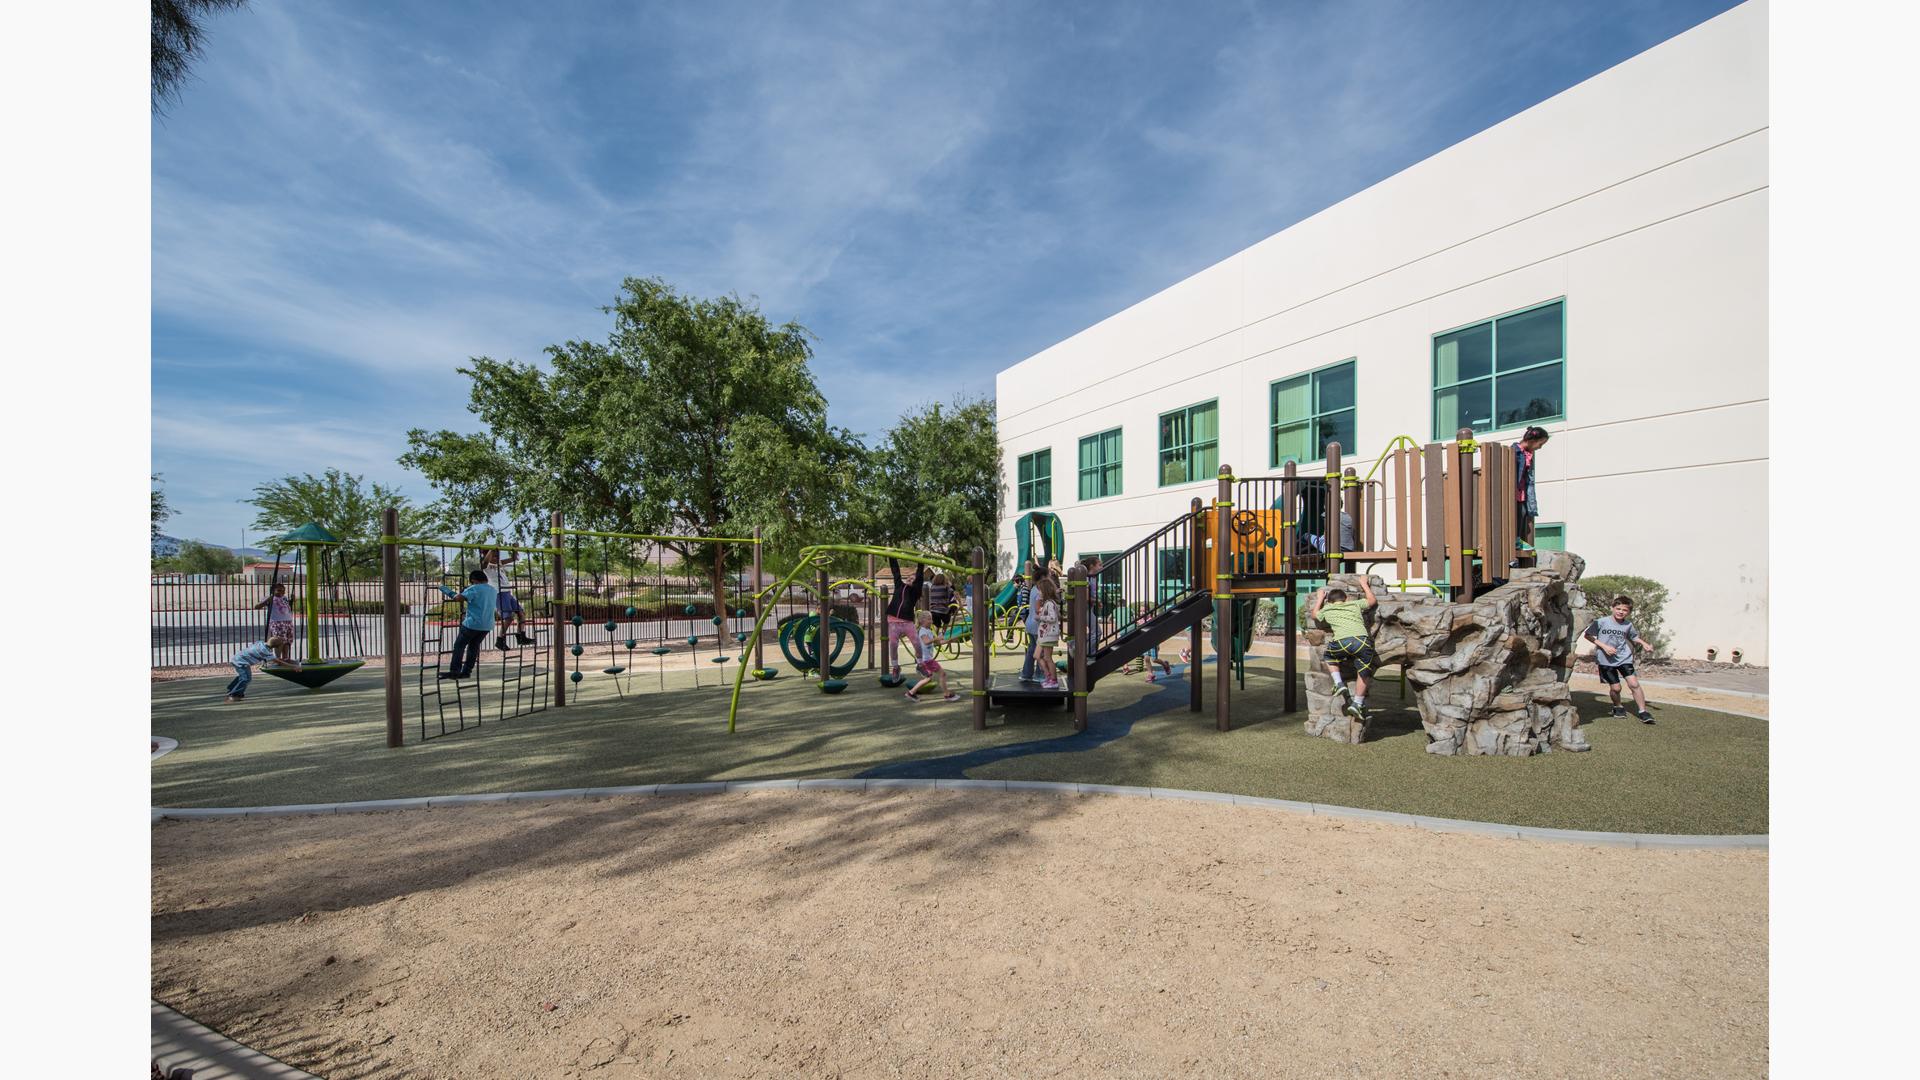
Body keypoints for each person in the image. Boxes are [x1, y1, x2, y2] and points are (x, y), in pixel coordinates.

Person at [1307, 577, 1377, 719]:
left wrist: (1320, 598)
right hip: (1362, 642)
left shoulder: (1328, 609)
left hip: (1341, 643)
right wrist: (1364, 584)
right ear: (1345, 599)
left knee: (1329, 656)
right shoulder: (1355, 605)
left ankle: (1338, 683)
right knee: (1363, 673)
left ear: (1330, 601)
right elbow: (1372, 601)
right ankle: (1357, 703)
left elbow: (1314, 615)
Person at [1583, 595, 1656, 723]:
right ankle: (1618, 706)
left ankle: (1643, 711)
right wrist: (1604, 647)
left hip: (1624, 658)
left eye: (1624, 610)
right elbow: (1587, 635)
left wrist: (1644, 644)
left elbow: (1633, 636)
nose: (1621, 612)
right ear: (1612, 608)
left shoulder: (1628, 625)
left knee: (1634, 684)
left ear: (1629, 612)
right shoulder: (1601, 622)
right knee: (1616, 688)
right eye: (1618, 608)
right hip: (1605, 660)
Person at [437, 570, 498, 680]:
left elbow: (458, 598)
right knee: (473, 647)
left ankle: (455, 671)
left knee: (459, 646)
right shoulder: (493, 590)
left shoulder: (474, 588)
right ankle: (466, 671)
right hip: (487, 625)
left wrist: (444, 589)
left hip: (472, 624)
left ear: (474, 580)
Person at [480, 548, 535, 649]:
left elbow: (514, 558)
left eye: (498, 555)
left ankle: (521, 637)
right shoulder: (486, 566)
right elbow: (484, 562)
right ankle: (500, 640)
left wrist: (515, 549)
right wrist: (491, 550)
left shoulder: (499, 563)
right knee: (508, 618)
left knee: (521, 613)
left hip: (507, 592)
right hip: (498, 593)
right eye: (494, 555)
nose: (497, 557)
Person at [903, 609, 960, 703]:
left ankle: (911, 693)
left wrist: (949, 640)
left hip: (926, 660)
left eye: (931, 619)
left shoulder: (928, 630)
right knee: (941, 674)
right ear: (922, 621)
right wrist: (937, 638)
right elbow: (926, 642)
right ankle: (947, 695)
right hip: (926, 660)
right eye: (929, 619)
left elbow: (937, 643)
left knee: (928, 678)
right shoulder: (922, 631)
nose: (931, 621)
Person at [223, 637, 301, 703]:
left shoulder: (261, 643)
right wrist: (293, 666)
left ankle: (231, 688)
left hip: (237, 658)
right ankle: (234, 695)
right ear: (277, 647)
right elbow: (278, 662)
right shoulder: (266, 652)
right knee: (246, 678)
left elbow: (259, 653)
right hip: (241, 662)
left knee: (243, 676)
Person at [884, 558, 926, 678]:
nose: (909, 579)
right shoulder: (899, 585)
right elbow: (895, 571)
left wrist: (920, 562)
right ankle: (896, 667)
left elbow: (920, 577)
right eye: (908, 578)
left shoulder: (915, 591)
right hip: (893, 621)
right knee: (893, 644)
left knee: (917, 643)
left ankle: (920, 664)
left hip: (907, 622)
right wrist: (892, 557)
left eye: (912, 579)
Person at [1514, 426, 1550, 556]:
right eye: (1540, 444)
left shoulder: (1527, 454)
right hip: (1514, 492)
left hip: (1522, 493)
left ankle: (1517, 540)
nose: (1540, 447)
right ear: (1531, 440)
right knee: (1516, 515)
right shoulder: (1515, 452)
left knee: (1522, 514)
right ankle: (1515, 540)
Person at [1034, 576, 1063, 690]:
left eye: (1040, 590)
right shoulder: (1047, 603)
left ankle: (1053, 680)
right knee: (1037, 655)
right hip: (1044, 634)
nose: (1039, 593)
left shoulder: (1050, 603)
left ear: (1045, 591)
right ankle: (1049, 676)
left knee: (1047, 658)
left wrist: (1041, 616)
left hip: (1048, 634)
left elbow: (1052, 617)